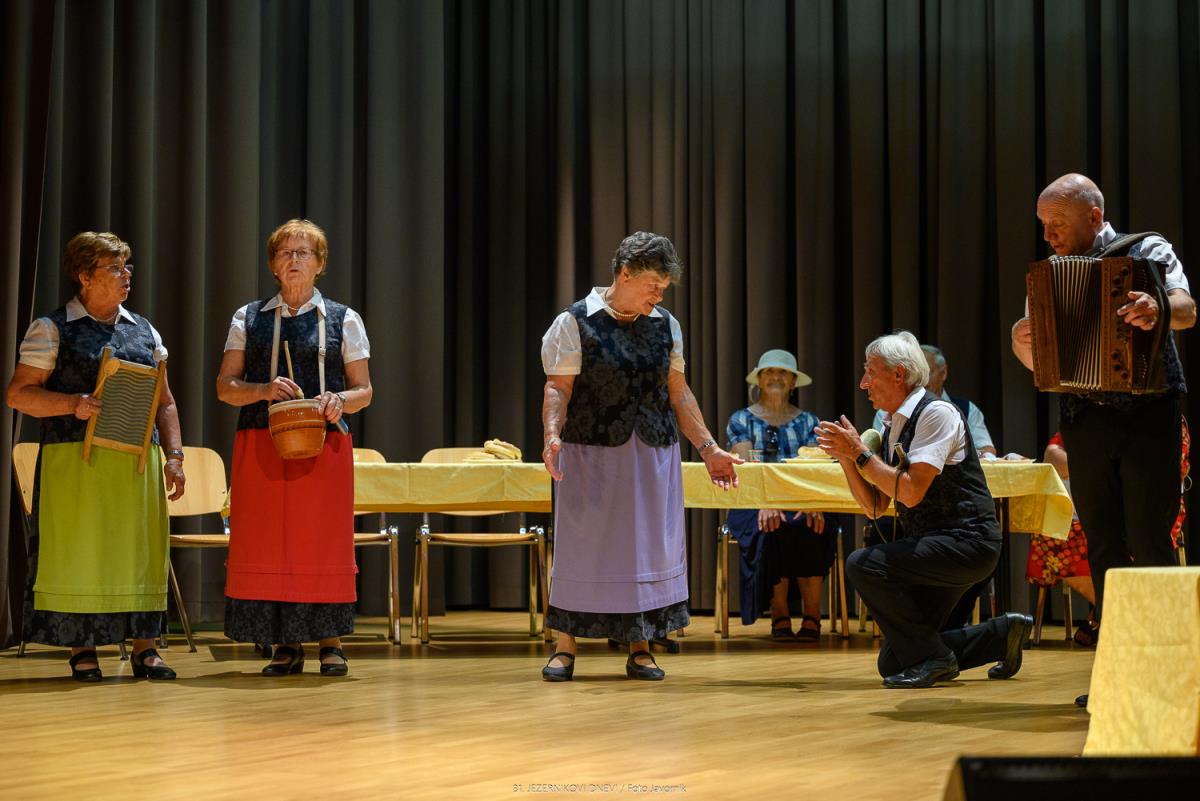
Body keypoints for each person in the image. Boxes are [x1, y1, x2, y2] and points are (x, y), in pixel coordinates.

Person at [1011, 173, 1196, 705]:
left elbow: (1187, 309)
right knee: (1104, 545)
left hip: (1149, 414)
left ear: (1094, 216)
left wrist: (1158, 308)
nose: (1048, 235)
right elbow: (1040, 365)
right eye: (1043, 224)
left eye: (1057, 223)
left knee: (1151, 541)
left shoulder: (1147, 249)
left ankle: (1168, 678)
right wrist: (1022, 340)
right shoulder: (1049, 276)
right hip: (1084, 419)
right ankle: (1119, 678)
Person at [540, 231, 740, 681]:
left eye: (664, 287)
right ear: (625, 274)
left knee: (646, 546)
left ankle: (641, 646)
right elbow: (558, 387)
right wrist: (552, 434)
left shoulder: (665, 324)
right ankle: (565, 646)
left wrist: (708, 448)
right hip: (591, 449)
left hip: (652, 451)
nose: (658, 294)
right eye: (653, 284)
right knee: (582, 544)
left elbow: (678, 392)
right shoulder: (574, 321)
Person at [5, 231, 186, 681]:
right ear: (84, 276)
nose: (127, 276)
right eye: (115, 268)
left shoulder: (143, 329)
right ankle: (82, 649)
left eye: (127, 267)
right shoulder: (53, 329)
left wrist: (175, 456)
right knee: (81, 552)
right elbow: (19, 394)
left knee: (138, 553)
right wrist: (73, 403)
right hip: (75, 463)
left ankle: (146, 648)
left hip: (136, 463)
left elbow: (164, 402)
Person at [816, 331, 1032, 689]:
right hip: (934, 546)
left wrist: (860, 453)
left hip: (968, 543)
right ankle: (1001, 635)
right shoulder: (892, 423)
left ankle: (937, 658)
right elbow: (876, 507)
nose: (863, 383)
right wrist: (846, 460)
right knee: (894, 661)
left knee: (862, 564)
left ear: (898, 374)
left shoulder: (936, 413)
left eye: (870, 371)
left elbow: (911, 493)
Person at [216, 219, 373, 677]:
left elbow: (364, 391)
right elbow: (225, 387)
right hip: (260, 440)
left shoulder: (344, 319)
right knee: (269, 539)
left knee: (321, 541)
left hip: (324, 442)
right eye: (285, 253)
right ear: (272, 264)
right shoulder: (247, 317)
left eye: (304, 253)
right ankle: (284, 643)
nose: (294, 260)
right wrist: (263, 390)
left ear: (320, 264)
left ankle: (330, 641)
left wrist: (338, 399)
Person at [725, 349, 833, 641]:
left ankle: (813, 615)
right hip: (753, 501)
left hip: (802, 498)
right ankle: (779, 613)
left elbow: (814, 469)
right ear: (759, 380)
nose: (776, 377)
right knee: (772, 526)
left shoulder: (809, 422)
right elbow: (746, 468)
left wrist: (810, 502)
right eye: (769, 372)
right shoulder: (741, 419)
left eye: (783, 372)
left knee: (812, 523)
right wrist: (766, 502)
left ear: (793, 382)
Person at [872, 345, 996, 457]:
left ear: (944, 373)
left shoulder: (967, 409)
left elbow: (987, 449)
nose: (921, 381)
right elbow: (875, 456)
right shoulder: (887, 412)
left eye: (927, 373)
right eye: (915, 374)